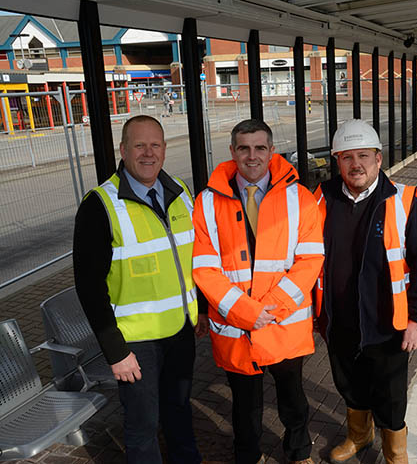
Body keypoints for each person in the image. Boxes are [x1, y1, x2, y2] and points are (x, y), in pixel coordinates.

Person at [192, 119, 323, 464]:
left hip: (283, 324)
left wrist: (272, 308)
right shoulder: (206, 203)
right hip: (237, 327)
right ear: (232, 152)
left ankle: (299, 453)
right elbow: (204, 267)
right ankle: (246, 455)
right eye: (244, 148)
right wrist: (249, 312)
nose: (252, 156)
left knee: (293, 398)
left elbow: (310, 261)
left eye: (260, 148)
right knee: (245, 405)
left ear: (271, 151)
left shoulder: (300, 198)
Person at [73, 115, 202, 463]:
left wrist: (199, 308)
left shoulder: (179, 190)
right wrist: (115, 351)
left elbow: (191, 256)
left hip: (179, 330)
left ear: (164, 148)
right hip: (136, 342)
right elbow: (88, 286)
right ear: (123, 150)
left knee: (178, 411)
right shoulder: (99, 205)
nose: (149, 153)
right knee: (143, 427)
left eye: (155, 145)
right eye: (139, 145)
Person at [314, 119, 417, 464]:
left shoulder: (404, 201)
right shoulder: (320, 199)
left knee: (390, 396)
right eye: (347, 157)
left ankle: (395, 452)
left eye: (364, 156)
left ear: (379, 159)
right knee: (349, 385)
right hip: (339, 321)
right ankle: (359, 435)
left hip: (388, 324)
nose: (356, 164)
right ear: (337, 161)